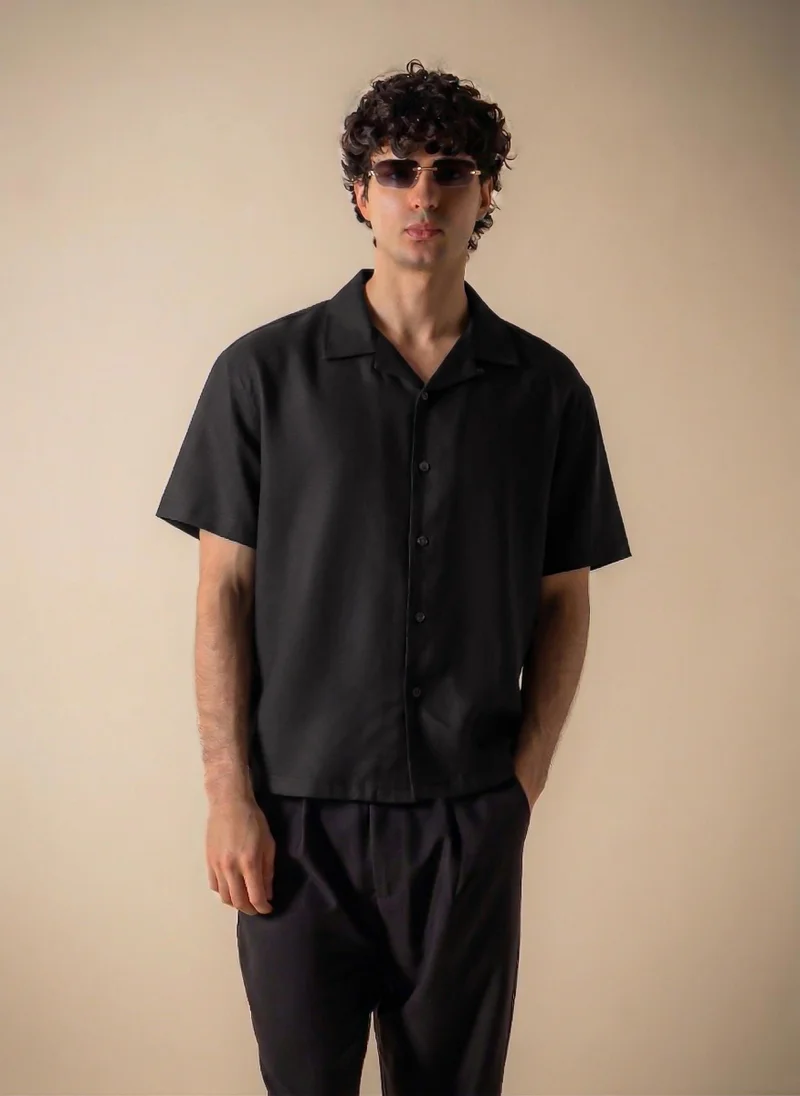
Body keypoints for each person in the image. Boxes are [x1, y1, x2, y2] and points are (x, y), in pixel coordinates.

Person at [156, 58, 632, 1096]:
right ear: (359, 193)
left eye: (451, 170)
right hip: (295, 824)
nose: (425, 193)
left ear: (485, 191)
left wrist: (520, 786)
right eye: (397, 168)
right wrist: (228, 795)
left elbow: (564, 599)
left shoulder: (545, 391)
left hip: (467, 818)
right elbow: (222, 595)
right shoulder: (260, 376)